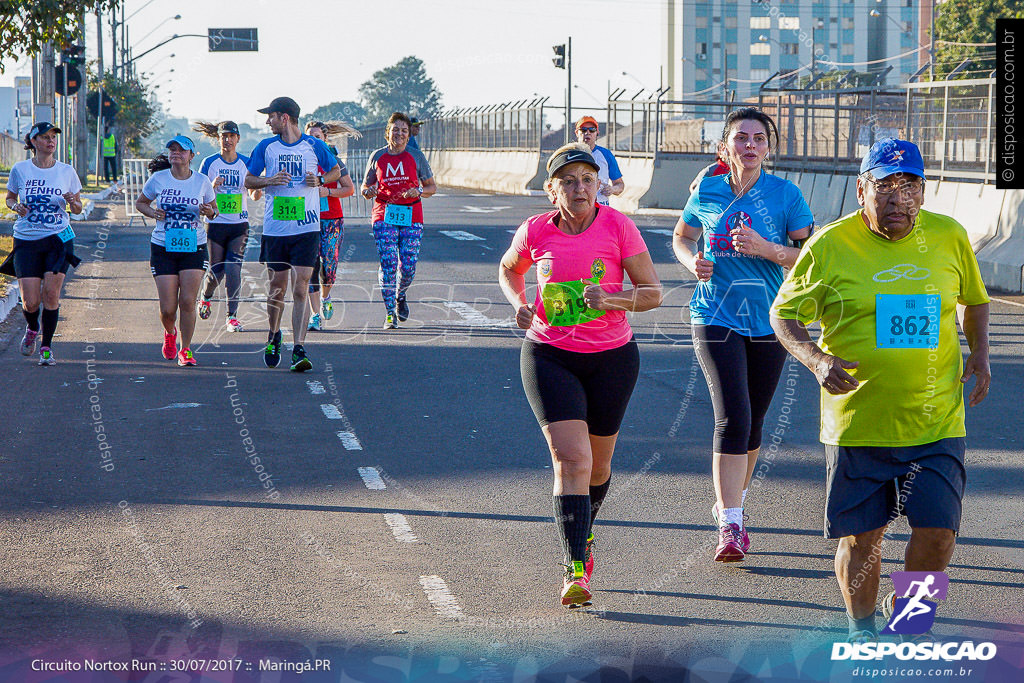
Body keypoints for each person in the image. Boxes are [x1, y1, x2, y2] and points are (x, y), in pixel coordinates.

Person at [770, 138, 990, 644]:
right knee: (862, 541)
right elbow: (783, 315)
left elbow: (973, 300)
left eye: (909, 186)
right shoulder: (830, 245)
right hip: (858, 422)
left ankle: (909, 631)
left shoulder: (948, 236)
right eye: (885, 187)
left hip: (935, 421)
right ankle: (862, 631)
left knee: (937, 536)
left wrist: (978, 351)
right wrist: (817, 359)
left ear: (923, 190)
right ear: (860, 190)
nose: (898, 199)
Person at [499, 142, 662, 607]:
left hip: (612, 356)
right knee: (571, 461)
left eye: (587, 180)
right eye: (568, 181)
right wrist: (520, 305)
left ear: (600, 186)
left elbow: (652, 293)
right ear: (552, 191)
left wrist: (609, 300)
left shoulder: (618, 227)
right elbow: (509, 271)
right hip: (549, 354)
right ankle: (574, 567)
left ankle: (583, 532)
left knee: (599, 465)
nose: (579, 188)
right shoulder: (535, 230)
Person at [672, 107, 813, 562]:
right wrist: (690, 262)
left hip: (770, 319)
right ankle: (731, 523)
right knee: (732, 414)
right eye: (741, 137)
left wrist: (767, 249)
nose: (749, 145)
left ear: (767, 148)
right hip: (714, 315)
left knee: (753, 422)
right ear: (725, 145)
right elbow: (681, 236)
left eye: (758, 138)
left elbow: (809, 257)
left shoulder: (786, 195)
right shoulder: (706, 189)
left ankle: (733, 502)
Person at [244, 96, 343, 371]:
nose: (267, 121)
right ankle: (274, 334)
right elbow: (248, 180)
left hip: (307, 228)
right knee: (277, 287)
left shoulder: (315, 146)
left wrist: (321, 179)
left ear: (284, 117)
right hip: (276, 230)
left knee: (301, 286)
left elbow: (336, 171)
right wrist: (269, 180)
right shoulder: (266, 146)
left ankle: (299, 349)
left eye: (271, 116)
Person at [1, 122, 83, 365]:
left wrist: (72, 202)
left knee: (51, 294)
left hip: (59, 238)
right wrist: (16, 207)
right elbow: (9, 198)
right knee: (30, 301)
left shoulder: (66, 171)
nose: (51, 141)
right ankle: (31, 328)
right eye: (45, 137)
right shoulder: (20, 169)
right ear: (33, 142)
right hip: (26, 239)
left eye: (53, 137)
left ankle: (46, 347)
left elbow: (77, 208)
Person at [135, 135, 218, 366]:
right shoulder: (158, 179)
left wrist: (207, 211)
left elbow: (214, 211)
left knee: (188, 301)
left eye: (182, 150)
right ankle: (169, 332)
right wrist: (153, 214)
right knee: (168, 308)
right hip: (163, 246)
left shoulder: (201, 181)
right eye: (172, 149)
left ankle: (186, 349)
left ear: (191, 156)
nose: (176, 153)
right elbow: (141, 203)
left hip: (194, 245)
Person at [361, 112, 437, 329]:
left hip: (411, 214)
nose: (400, 134)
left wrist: (419, 191)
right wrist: (369, 191)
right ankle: (389, 313)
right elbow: (365, 187)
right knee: (389, 263)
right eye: (396, 130)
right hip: (384, 213)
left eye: (404, 130)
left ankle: (400, 294)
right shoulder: (377, 156)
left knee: (409, 265)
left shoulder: (416, 156)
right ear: (388, 133)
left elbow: (432, 187)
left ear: (408, 134)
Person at [194, 120, 260, 332]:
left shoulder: (246, 163)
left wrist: (257, 190)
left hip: (239, 225)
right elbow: (200, 194)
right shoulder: (209, 163)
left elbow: (253, 192)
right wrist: (212, 187)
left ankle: (232, 316)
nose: (228, 140)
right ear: (218, 139)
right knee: (217, 270)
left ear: (238, 139)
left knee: (233, 267)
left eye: (232, 136)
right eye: (224, 136)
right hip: (215, 224)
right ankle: (206, 295)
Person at [303, 120, 356, 331]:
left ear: (325, 139)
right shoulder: (302, 160)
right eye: (310, 137)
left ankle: (326, 297)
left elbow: (349, 189)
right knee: (310, 267)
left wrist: (328, 192)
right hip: (307, 220)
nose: (313, 141)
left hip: (332, 219)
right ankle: (315, 315)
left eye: (317, 137)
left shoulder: (333, 161)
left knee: (329, 266)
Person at [574, 116, 624, 206]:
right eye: (583, 130)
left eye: (592, 130)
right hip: (578, 207)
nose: (587, 133)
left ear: (597, 133)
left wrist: (612, 189)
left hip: (600, 207)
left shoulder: (606, 154)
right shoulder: (570, 154)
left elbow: (620, 185)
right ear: (577, 133)